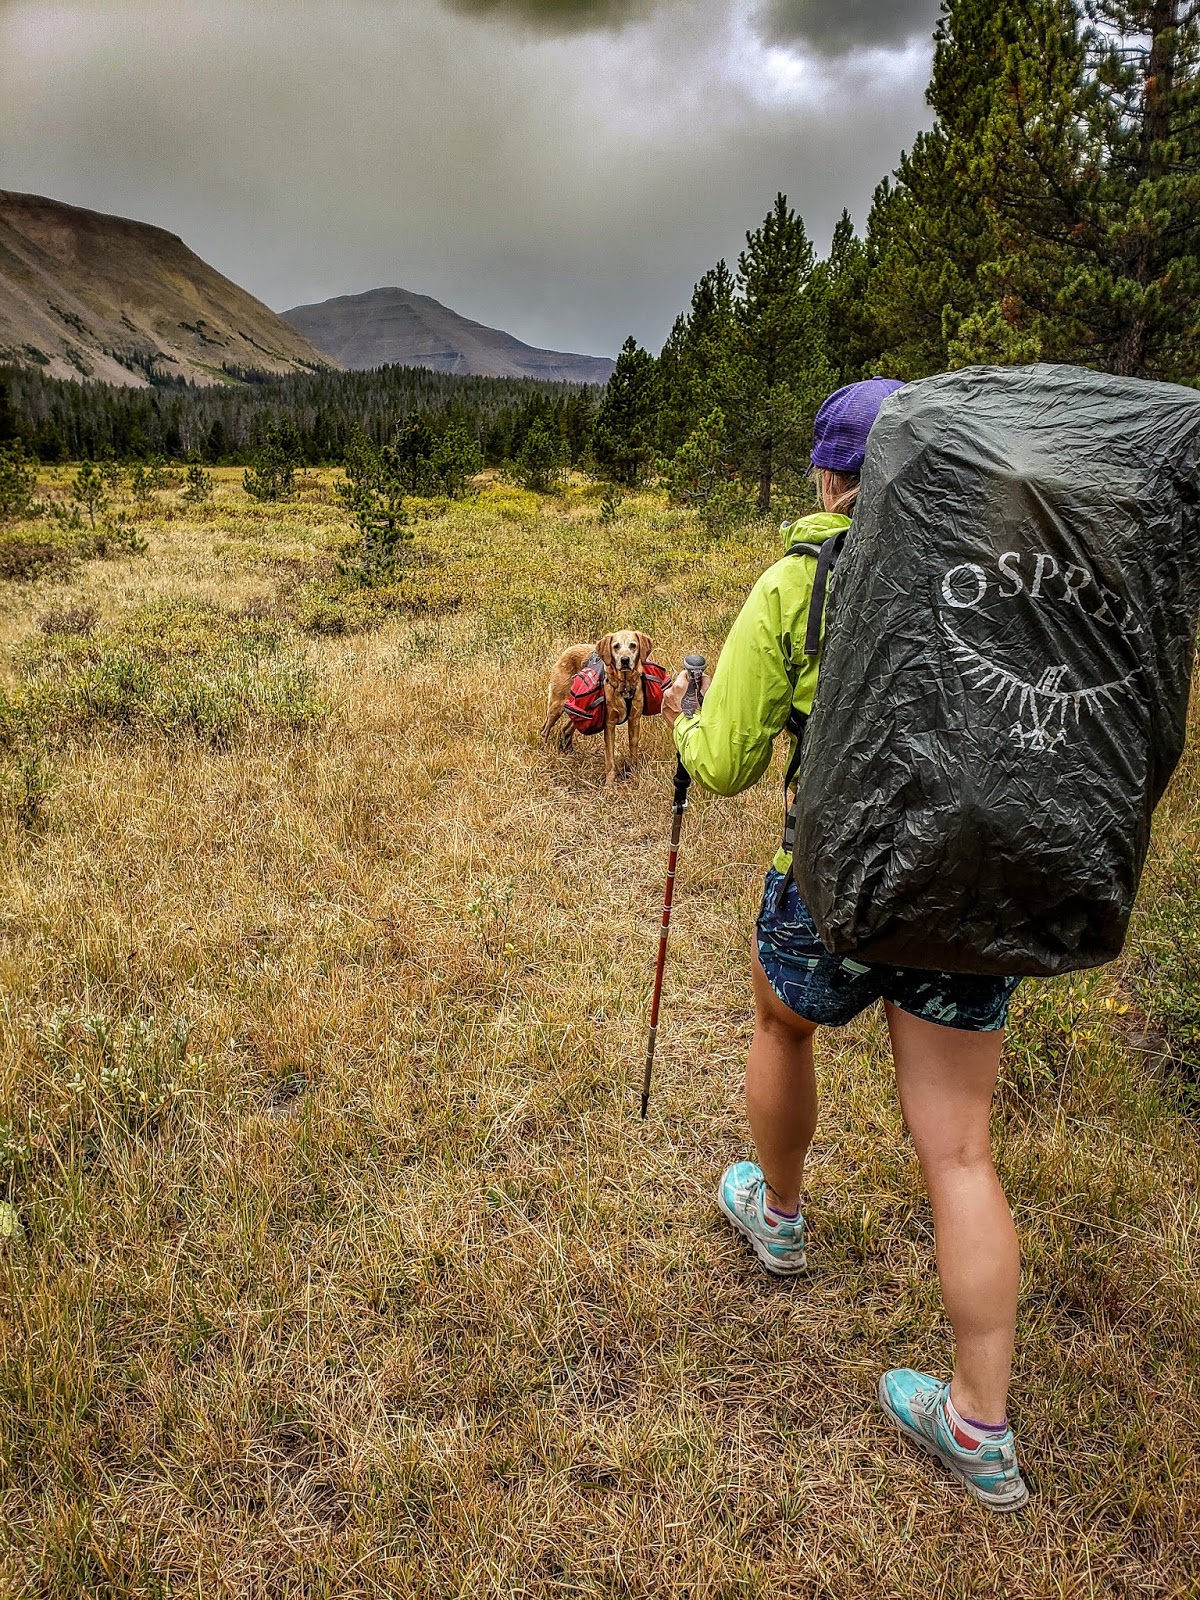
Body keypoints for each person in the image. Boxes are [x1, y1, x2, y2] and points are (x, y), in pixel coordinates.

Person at [661, 378, 1029, 1514]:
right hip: (965, 891)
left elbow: (720, 762)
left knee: (783, 1019)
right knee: (960, 1151)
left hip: (834, 882)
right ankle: (980, 1425)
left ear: (829, 478)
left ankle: (777, 1216)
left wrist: (689, 709)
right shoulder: (1003, 581)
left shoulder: (796, 583)